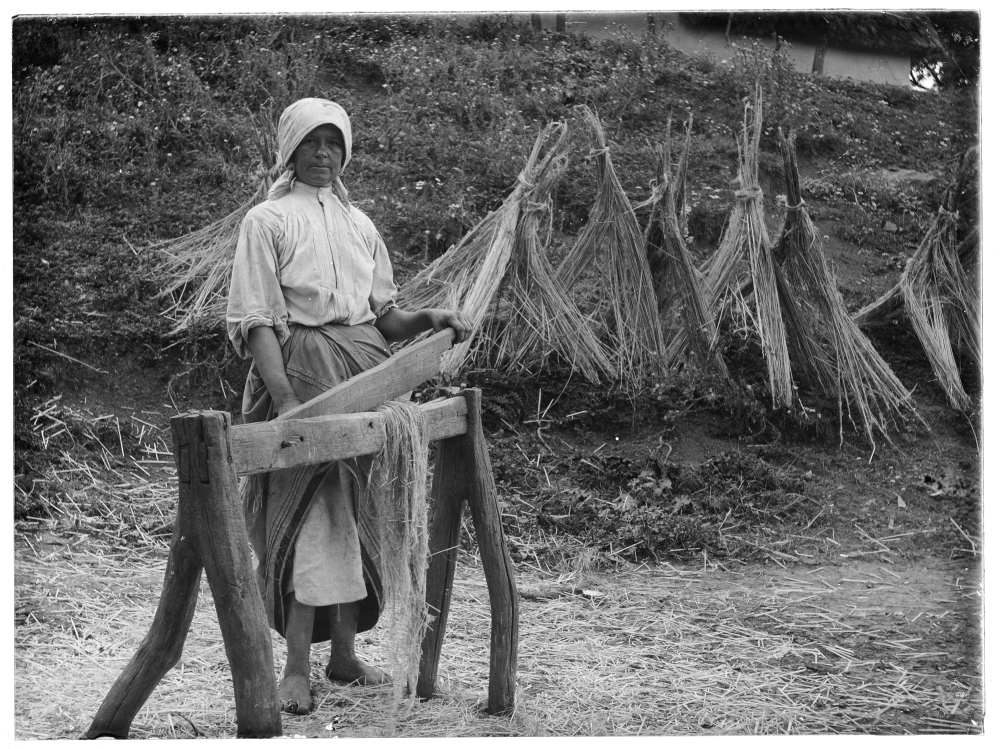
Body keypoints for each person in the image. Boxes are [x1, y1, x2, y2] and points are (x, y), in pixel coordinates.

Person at [226, 98, 470, 715]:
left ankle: (341, 654)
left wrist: (430, 319)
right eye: (312, 142)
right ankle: (295, 669)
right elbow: (257, 318)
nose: (323, 154)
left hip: (368, 372)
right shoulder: (267, 220)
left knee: (360, 509)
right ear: (289, 148)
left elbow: (384, 315)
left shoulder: (360, 224)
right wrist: (286, 403)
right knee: (312, 512)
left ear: (347, 152)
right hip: (306, 374)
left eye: (334, 144)